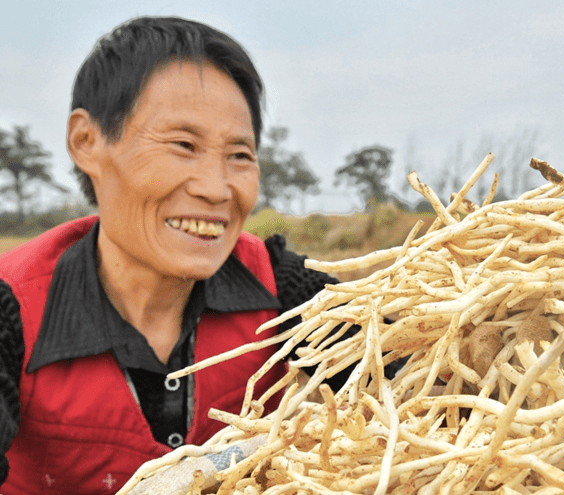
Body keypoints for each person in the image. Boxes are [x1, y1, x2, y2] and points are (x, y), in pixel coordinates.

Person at [0, 16, 340, 494]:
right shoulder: (10, 309)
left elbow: (422, 380)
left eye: (239, 155)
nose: (215, 189)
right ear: (87, 142)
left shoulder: (285, 287)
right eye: (184, 145)